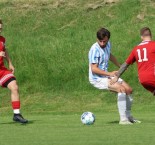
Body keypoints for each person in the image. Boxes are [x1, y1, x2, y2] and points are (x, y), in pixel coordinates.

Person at [88, 27, 141, 124]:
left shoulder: (108, 45)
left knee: (129, 90)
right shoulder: (94, 49)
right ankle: (123, 119)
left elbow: (109, 55)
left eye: (104, 41)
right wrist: (110, 73)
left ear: (108, 39)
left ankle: (129, 117)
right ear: (97, 39)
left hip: (106, 76)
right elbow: (94, 69)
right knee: (121, 89)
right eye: (100, 41)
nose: (102, 44)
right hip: (97, 79)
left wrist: (120, 66)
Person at [111, 27, 155, 96]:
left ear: (141, 37)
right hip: (153, 76)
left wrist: (117, 76)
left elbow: (125, 64)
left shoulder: (136, 49)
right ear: (151, 35)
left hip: (143, 80)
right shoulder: (153, 45)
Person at [0, 19, 28, 124]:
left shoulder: (2, 39)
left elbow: (4, 50)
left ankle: (17, 114)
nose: (0, 30)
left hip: (1, 71)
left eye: (1, 28)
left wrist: (10, 63)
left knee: (14, 87)